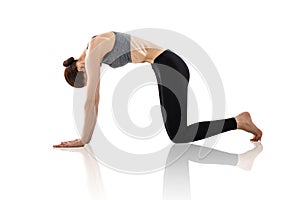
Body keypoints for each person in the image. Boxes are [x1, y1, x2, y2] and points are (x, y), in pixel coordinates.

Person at [53, 31, 262, 148]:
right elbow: (94, 98)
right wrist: (86, 139)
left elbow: (92, 101)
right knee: (178, 133)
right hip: (164, 67)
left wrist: (83, 140)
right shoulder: (92, 48)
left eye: (88, 77)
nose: (94, 75)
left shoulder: (92, 53)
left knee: (179, 134)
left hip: (170, 66)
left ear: (80, 67)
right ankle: (238, 121)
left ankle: (239, 121)